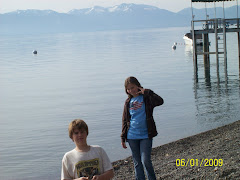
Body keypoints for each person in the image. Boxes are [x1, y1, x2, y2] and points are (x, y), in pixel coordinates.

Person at [121, 76, 164, 180]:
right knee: (137, 163)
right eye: (128, 89)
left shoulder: (146, 98)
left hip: (146, 135)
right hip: (132, 136)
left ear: (138, 86)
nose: (131, 90)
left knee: (146, 161)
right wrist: (123, 137)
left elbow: (160, 101)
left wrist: (148, 92)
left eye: (133, 87)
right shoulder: (128, 102)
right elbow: (124, 120)